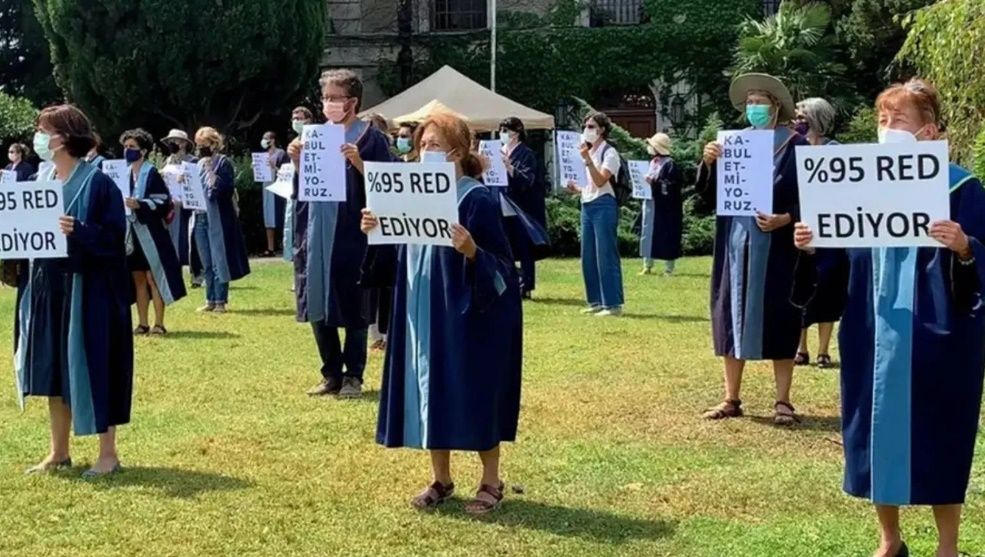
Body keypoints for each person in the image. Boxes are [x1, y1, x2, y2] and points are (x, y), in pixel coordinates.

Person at [793, 78, 985, 557]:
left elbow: (980, 259)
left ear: (929, 132)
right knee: (874, 431)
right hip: (871, 326)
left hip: (940, 331)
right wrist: (815, 247)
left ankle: (947, 546)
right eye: (882, 119)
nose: (887, 127)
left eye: (898, 119)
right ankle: (890, 539)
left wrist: (966, 247)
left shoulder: (961, 186)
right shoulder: (859, 186)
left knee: (942, 434)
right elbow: (842, 264)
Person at [361, 112, 522, 515]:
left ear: (458, 151)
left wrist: (472, 251)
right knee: (429, 388)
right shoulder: (409, 194)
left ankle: (490, 480)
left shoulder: (476, 199)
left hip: (464, 311)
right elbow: (397, 253)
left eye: (435, 144)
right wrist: (375, 227)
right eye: (422, 144)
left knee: (474, 388)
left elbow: (504, 269)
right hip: (421, 308)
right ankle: (441, 478)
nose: (425, 150)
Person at [12, 104, 133, 477]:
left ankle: (108, 454)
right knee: (53, 368)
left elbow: (116, 240)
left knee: (96, 364)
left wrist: (79, 230)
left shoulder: (98, 184)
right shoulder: (41, 180)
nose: (38, 137)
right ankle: (58, 451)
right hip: (49, 288)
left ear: (63, 138)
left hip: (88, 292)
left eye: (44, 130)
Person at [697, 73, 807, 425]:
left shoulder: (796, 145)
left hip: (777, 248)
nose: (753, 107)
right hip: (735, 244)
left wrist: (786, 218)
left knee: (780, 315)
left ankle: (783, 401)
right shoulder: (732, 143)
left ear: (776, 106)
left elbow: (812, 197)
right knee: (730, 314)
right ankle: (731, 398)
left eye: (760, 101)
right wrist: (708, 163)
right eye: (749, 102)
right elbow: (708, 196)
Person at [288, 69, 391, 399]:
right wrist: (298, 162)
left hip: (352, 233)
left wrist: (359, 163)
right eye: (325, 98)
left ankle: (353, 375)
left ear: (353, 101)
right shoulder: (316, 137)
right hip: (316, 230)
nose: (328, 103)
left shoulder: (371, 138)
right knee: (316, 299)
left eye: (335, 98)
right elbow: (304, 189)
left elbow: (387, 183)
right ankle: (330, 372)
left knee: (354, 303)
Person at [790, 98, 847, 369]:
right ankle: (800, 348)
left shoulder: (835, 151)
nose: (797, 121)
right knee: (800, 287)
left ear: (816, 118)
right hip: (800, 229)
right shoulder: (792, 148)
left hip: (832, 231)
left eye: (802, 116)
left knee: (829, 288)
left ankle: (824, 350)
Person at [120, 128, 187, 335]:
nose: (127, 150)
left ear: (143, 151)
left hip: (151, 234)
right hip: (132, 234)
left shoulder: (152, 173)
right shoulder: (124, 174)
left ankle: (159, 323)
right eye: (125, 146)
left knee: (153, 277)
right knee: (138, 278)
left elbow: (163, 201)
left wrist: (140, 204)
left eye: (132, 147)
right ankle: (142, 323)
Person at [564, 112, 624, 317]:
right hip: (587, 203)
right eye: (585, 126)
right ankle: (595, 300)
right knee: (588, 255)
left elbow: (600, 181)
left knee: (605, 253)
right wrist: (576, 188)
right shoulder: (588, 152)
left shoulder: (609, 153)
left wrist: (588, 160)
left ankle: (613, 304)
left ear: (602, 130)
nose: (586, 130)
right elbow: (589, 184)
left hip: (604, 204)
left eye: (591, 127)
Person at [192, 127, 250, 313]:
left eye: (203, 144)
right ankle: (209, 299)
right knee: (207, 261)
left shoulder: (223, 163)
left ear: (213, 144)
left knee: (219, 259)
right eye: (198, 145)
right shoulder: (197, 164)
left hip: (217, 217)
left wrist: (211, 172)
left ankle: (220, 300)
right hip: (200, 216)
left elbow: (226, 188)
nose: (200, 148)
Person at [499, 116, 548, 298]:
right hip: (501, 202)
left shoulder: (527, 154)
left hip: (521, 207)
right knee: (505, 244)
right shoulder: (498, 152)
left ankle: (526, 284)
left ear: (517, 133)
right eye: (501, 130)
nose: (503, 134)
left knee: (524, 245)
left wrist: (510, 168)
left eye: (506, 130)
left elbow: (529, 180)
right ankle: (509, 281)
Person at [638, 133, 683, 276]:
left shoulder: (670, 164)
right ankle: (647, 265)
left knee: (668, 234)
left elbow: (671, 185)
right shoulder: (653, 162)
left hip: (666, 207)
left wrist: (655, 183)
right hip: (651, 203)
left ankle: (669, 268)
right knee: (647, 232)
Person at [161, 129, 198, 278]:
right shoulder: (168, 161)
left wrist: (187, 178)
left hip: (188, 207)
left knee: (190, 240)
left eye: (175, 141)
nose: (172, 144)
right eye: (170, 141)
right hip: (171, 206)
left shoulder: (192, 161)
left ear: (183, 144)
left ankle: (196, 272)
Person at [284, 107, 314, 265]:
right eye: (294, 118)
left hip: (312, 193)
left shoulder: (315, 140)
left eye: (300, 118)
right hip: (295, 192)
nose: (296, 121)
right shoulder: (294, 143)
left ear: (308, 120)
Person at [260, 131, 290, 257]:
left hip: (277, 188)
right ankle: (270, 248)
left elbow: (287, 172)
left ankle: (285, 245)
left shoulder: (281, 153)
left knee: (280, 216)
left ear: (273, 140)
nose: (264, 141)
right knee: (268, 218)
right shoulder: (263, 155)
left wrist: (275, 167)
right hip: (266, 188)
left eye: (266, 138)